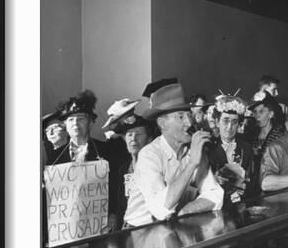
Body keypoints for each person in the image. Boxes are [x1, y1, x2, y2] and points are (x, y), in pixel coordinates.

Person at [133, 82, 224, 225]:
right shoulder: (149, 155)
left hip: (173, 228)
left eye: (189, 115)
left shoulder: (193, 150)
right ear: (163, 124)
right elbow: (160, 209)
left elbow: (215, 194)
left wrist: (187, 210)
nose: (189, 123)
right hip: (140, 233)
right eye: (181, 117)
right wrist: (192, 163)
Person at [101, 98, 154, 231]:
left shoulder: (155, 165)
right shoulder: (123, 168)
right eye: (129, 135)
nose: (133, 139)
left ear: (149, 139)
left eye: (139, 134)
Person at [207, 95, 254, 204]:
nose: (229, 127)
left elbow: (253, 181)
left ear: (239, 125)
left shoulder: (246, 148)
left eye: (234, 122)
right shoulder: (208, 148)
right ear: (217, 122)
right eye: (225, 121)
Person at [45, 90, 108, 165]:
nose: (75, 123)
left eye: (81, 119)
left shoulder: (107, 150)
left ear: (90, 123)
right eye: (71, 120)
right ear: (66, 125)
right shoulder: (55, 157)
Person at [247, 90, 285, 190]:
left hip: (272, 187)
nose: (257, 116)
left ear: (271, 114)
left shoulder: (278, 136)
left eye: (261, 111)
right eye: (255, 112)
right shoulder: (252, 136)